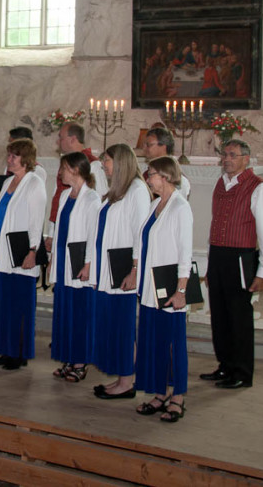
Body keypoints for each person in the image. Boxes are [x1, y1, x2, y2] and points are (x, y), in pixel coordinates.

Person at [201, 139, 263, 389]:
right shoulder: (221, 183)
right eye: (224, 155)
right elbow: (215, 225)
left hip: (241, 258)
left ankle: (242, 372)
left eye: (232, 155)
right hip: (219, 256)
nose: (227, 159)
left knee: (238, 318)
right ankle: (225, 366)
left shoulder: (259, 188)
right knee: (220, 316)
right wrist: (211, 264)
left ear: (246, 159)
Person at [134, 156, 192, 423]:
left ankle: (177, 397)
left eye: (152, 174)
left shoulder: (180, 207)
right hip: (150, 286)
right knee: (154, 342)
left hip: (169, 286)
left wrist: (181, 290)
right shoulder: (155, 203)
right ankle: (160, 393)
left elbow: (184, 252)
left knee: (172, 343)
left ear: (166, 176)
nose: (148, 178)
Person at [91, 144, 151, 399]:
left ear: (122, 162)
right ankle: (121, 377)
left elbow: (140, 233)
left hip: (123, 268)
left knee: (123, 326)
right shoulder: (117, 190)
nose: (103, 164)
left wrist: (134, 269)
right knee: (113, 325)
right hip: (108, 267)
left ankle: (127, 381)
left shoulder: (137, 190)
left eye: (107, 160)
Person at [0, 138, 46, 370]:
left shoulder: (34, 183)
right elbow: (4, 211)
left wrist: (32, 250)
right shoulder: (9, 181)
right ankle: (5, 348)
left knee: (19, 303)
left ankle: (19, 353)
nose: (9, 159)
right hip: (2, 247)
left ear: (26, 159)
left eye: (14, 156)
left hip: (20, 249)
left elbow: (35, 219)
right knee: (3, 302)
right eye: (9, 155)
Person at [49, 151, 100, 383]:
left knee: (80, 313)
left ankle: (81, 361)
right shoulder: (65, 195)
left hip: (79, 262)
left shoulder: (92, 199)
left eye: (64, 169)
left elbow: (93, 235)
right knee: (65, 312)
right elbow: (60, 228)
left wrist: (88, 263)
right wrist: (53, 258)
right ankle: (68, 356)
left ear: (76, 170)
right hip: (62, 261)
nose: (60, 173)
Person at [47, 123, 106, 254]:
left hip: (81, 232)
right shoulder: (65, 164)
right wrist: (52, 232)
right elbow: (57, 197)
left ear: (72, 139)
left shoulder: (94, 164)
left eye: (61, 137)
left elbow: (101, 198)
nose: (58, 141)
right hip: (63, 226)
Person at [141, 127, 191, 197]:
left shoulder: (176, 178)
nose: (144, 148)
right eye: (144, 145)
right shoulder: (146, 174)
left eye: (149, 145)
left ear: (163, 147)